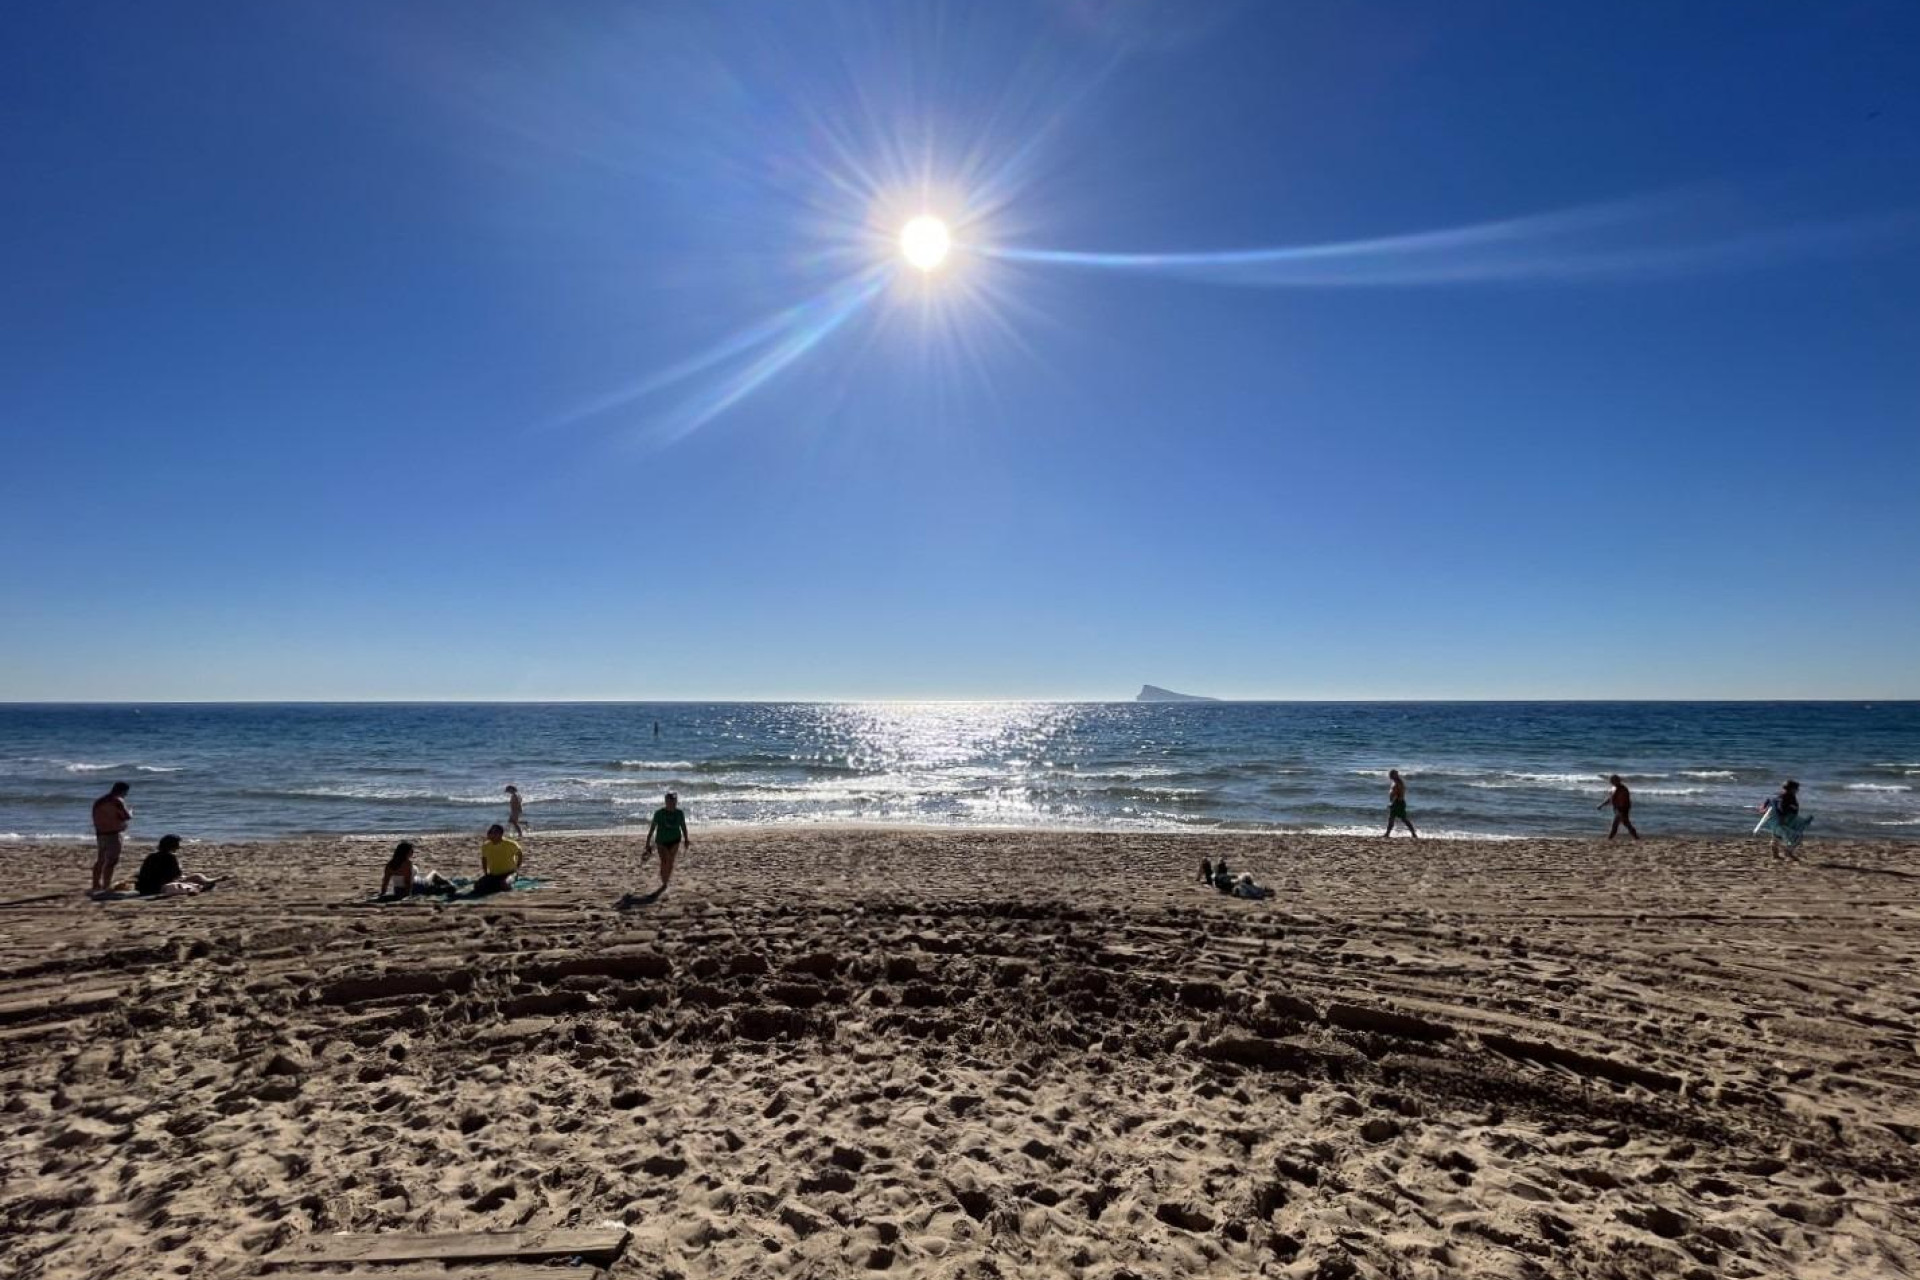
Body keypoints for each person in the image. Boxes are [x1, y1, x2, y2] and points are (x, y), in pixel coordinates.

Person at [134, 835, 216, 897]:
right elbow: (177, 874)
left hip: (144, 888)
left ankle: (205, 883)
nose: (179, 847)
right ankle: (202, 886)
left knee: (195, 877)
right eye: (177, 844)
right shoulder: (170, 857)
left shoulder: (151, 856)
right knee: (193, 879)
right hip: (160, 886)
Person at [643, 792, 690, 895]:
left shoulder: (679, 813)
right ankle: (664, 881)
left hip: (675, 840)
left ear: (676, 802)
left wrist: (686, 839)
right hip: (661, 841)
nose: (672, 804)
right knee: (664, 861)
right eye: (669, 802)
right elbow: (652, 828)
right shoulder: (659, 813)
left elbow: (683, 826)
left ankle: (666, 880)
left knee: (671, 861)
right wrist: (647, 842)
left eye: (674, 802)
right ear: (665, 802)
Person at [90, 781, 132, 892]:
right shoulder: (117, 801)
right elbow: (126, 816)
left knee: (101, 860)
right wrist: (131, 812)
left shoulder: (100, 801)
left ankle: (95, 884)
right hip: (113, 833)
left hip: (100, 833)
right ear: (123, 791)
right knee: (112, 861)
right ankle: (106, 885)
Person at [379, 840, 456, 899]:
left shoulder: (390, 864)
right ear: (405, 852)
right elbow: (408, 882)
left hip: (398, 890)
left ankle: (442, 884)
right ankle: (449, 884)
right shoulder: (407, 864)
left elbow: (385, 881)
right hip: (415, 887)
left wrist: (382, 893)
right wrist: (407, 896)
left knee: (430, 877)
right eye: (411, 851)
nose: (412, 852)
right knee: (434, 874)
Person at [1760, 779, 1812, 857]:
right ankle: (1788, 851)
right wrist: (1784, 816)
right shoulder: (1789, 797)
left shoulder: (1779, 796)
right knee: (1797, 837)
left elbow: (1769, 801)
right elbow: (1782, 807)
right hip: (1784, 821)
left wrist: (1764, 808)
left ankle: (1775, 853)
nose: (1798, 790)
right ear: (1792, 789)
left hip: (1775, 821)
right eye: (1796, 788)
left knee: (1776, 836)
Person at [476, 824, 522, 894]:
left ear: (500, 834)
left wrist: (517, 868)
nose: (490, 834)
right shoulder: (486, 846)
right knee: (478, 886)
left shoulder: (511, 844)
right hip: (494, 874)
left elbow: (520, 854)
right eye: (490, 832)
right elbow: (484, 859)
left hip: (509, 873)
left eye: (493, 832)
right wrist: (486, 873)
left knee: (504, 884)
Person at [1597, 774, 1639, 840]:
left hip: (1622, 810)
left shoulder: (1623, 789)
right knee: (1626, 824)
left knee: (1616, 825)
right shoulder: (1614, 788)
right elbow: (1611, 798)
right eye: (1610, 780)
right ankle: (1636, 838)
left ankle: (1609, 839)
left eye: (1612, 780)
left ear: (1617, 780)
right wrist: (1602, 805)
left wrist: (1621, 811)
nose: (1611, 782)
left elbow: (1626, 800)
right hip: (1617, 809)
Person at [1384, 769, 1419, 840]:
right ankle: (1387, 833)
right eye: (1390, 774)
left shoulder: (1398, 783)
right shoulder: (1396, 782)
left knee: (1403, 819)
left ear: (1394, 775)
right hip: (1397, 802)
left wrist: (1392, 803)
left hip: (1398, 803)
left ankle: (1413, 833)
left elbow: (1398, 794)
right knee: (1393, 818)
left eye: (1391, 774)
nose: (1389, 775)